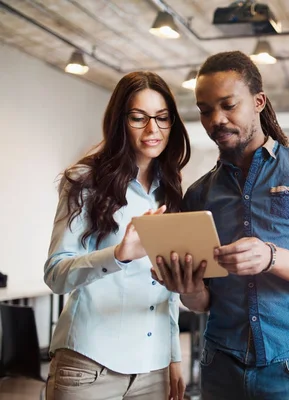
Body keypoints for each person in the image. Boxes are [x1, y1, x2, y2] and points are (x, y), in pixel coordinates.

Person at [152, 50, 289, 400]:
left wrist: (271, 256)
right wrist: (186, 287)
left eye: (228, 105)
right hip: (221, 365)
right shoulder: (199, 194)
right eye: (205, 110)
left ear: (258, 101)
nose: (216, 119)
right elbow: (202, 302)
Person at [44, 71, 191, 400]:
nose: (153, 129)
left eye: (162, 118)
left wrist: (173, 358)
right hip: (89, 365)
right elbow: (55, 274)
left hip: (153, 371)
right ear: (119, 122)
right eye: (139, 118)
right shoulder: (85, 180)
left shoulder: (170, 190)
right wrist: (118, 255)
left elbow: (162, 289)